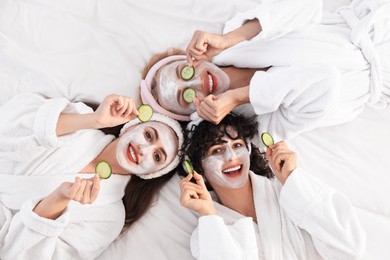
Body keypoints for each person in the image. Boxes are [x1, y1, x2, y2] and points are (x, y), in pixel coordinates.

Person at [140, 0, 390, 140]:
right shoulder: (261, 127)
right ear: (196, 114)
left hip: (377, 27)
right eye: (186, 97)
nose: (196, 84)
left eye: (183, 73)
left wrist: (230, 39)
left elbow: (308, 6)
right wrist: (240, 96)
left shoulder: (236, 42)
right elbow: (326, 81)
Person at [0, 93, 183, 259]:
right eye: (149, 136)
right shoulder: (82, 121)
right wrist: (93, 120)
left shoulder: (109, 217)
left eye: (157, 156)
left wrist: (59, 199)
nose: (144, 149)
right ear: (129, 127)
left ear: (151, 174)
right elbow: (6, 128)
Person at [178, 113, 365, 260]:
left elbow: (349, 249)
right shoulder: (206, 234)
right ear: (199, 168)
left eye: (237, 145)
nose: (231, 157)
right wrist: (210, 216)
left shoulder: (290, 191)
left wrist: (293, 179)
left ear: (249, 150)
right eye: (216, 150)